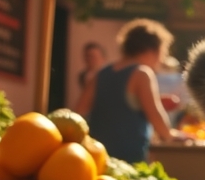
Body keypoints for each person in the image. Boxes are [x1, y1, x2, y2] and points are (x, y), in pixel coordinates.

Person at [74, 19, 188, 163]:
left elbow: (78, 114)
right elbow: (156, 118)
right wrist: (172, 135)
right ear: (152, 50)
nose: (161, 59)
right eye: (163, 52)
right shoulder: (142, 73)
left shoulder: (101, 74)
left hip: (98, 159)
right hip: (129, 161)